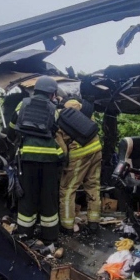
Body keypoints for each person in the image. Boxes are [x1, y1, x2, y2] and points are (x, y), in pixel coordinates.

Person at [9, 76, 64, 243]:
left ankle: (26, 233)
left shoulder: (22, 104)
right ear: (51, 93)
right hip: (49, 159)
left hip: (27, 158)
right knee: (48, 196)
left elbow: (12, 128)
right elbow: (55, 129)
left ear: (36, 89)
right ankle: (50, 236)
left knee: (27, 196)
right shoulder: (53, 109)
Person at [58, 97, 102, 235]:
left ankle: (67, 226)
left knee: (68, 189)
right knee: (93, 186)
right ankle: (94, 223)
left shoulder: (61, 120)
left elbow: (63, 150)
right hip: (96, 149)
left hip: (79, 155)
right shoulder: (86, 114)